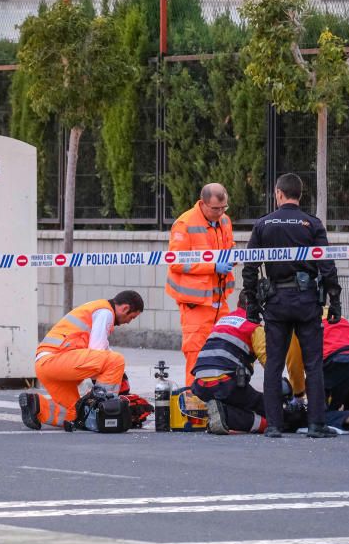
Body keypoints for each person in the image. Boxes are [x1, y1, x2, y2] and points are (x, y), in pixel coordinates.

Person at [242, 173, 341, 439]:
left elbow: (250, 266)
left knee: (274, 364)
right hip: (307, 301)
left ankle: (274, 425)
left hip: (276, 303)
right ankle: (316, 424)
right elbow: (326, 264)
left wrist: (250, 300)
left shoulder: (263, 224)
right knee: (313, 364)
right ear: (300, 194)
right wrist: (335, 299)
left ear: (278, 193)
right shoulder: (312, 223)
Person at [19, 291, 144, 429]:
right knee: (116, 360)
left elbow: (102, 353)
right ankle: (105, 413)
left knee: (77, 414)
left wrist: (118, 375)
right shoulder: (105, 312)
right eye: (131, 317)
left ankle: (36, 405)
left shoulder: (96, 309)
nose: (128, 322)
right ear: (125, 308)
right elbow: (98, 350)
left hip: (45, 366)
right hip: (55, 360)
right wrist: (103, 396)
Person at [165, 183, 236, 387]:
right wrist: (213, 266)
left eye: (224, 207)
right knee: (196, 355)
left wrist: (234, 255)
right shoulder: (184, 223)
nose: (221, 212)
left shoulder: (224, 221)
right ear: (203, 203)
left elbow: (229, 245)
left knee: (224, 351)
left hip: (219, 301)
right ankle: (193, 404)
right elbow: (176, 261)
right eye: (216, 208)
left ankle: (219, 402)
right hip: (195, 304)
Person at [190, 295, 270, 435]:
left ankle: (219, 412)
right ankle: (226, 415)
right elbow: (268, 363)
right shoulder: (254, 326)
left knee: (239, 402)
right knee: (267, 408)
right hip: (225, 383)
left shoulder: (223, 320)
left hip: (200, 384)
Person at [287, 314, 349, 431]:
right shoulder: (338, 315)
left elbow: (295, 363)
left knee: (316, 417)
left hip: (337, 361)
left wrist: (298, 394)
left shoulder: (297, 321)